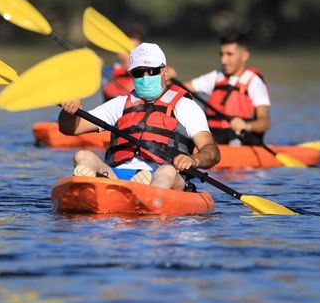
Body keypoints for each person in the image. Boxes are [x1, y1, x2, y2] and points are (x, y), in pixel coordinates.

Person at [59, 42, 220, 191]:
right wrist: (69, 111)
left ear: (164, 72)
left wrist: (194, 160)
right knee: (83, 155)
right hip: (117, 176)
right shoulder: (120, 104)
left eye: (150, 71)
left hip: (164, 177)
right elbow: (70, 128)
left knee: (167, 171)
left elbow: (212, 151)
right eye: (138, 73)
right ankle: (91, 188)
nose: (145, 77)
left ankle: (146, 193)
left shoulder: (185, 106)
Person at [183, 32, 271, 145]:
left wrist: (246, 125)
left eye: (229, 54)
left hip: (239, 139)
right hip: (215, 136)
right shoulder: (216, 76)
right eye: (221, 54)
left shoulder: (254, 82)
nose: (223, 60)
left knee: (233, 140)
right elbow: (183, 87)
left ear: (245, 55)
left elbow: (264, 122)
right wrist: (168, 78)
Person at [101, 27, 142, 101]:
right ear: (118, 51)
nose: (131, 55)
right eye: (127, 50)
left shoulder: (146, 74)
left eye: (135, 50)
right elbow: (108, 91)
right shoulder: (107, 71)